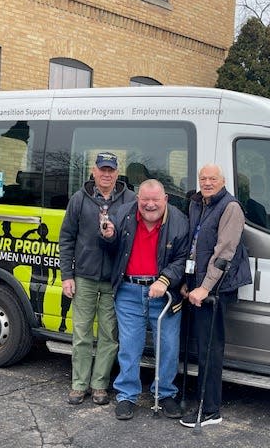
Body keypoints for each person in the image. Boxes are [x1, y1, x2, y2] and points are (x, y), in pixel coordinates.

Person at [101, 179, 189, 420]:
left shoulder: (179, 221)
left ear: (165, 200)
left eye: (155, 200)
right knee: (129, 347)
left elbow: (182, 259)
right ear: (137, 199)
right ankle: (126, 396)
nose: (150, 205)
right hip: (129, 291)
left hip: (165, 293)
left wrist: (165, 280)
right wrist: (108, 236)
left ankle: (165, 394)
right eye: (145, 199)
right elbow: (111, 246)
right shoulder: (122, 214)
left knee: (169, 347)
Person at [59, 151, 136, 406]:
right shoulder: (79, 199)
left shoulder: (130, 200)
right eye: (102, 169)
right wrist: (67, 276)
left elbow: (132, 241)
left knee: (109, 336)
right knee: (81, 333)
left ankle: (99, 385)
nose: (106, 174)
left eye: (111, 170)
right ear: (94, 171)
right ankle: (79, 384)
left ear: (117, 173)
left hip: (114, 280)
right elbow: (67, 238)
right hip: (84, 277)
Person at [179, 163, 252, 428]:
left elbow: (224, 252)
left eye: (212, 178)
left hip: (215, 290)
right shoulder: (198, 203)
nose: (207, 182)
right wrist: (188, 282)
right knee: (198, 347)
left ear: (223, 181)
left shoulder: (230, 207)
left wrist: (205, 287)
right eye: (203, 178)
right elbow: (194, 245)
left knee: (210, 349)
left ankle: (209, 411)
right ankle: (197, 400)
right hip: (197, 284)